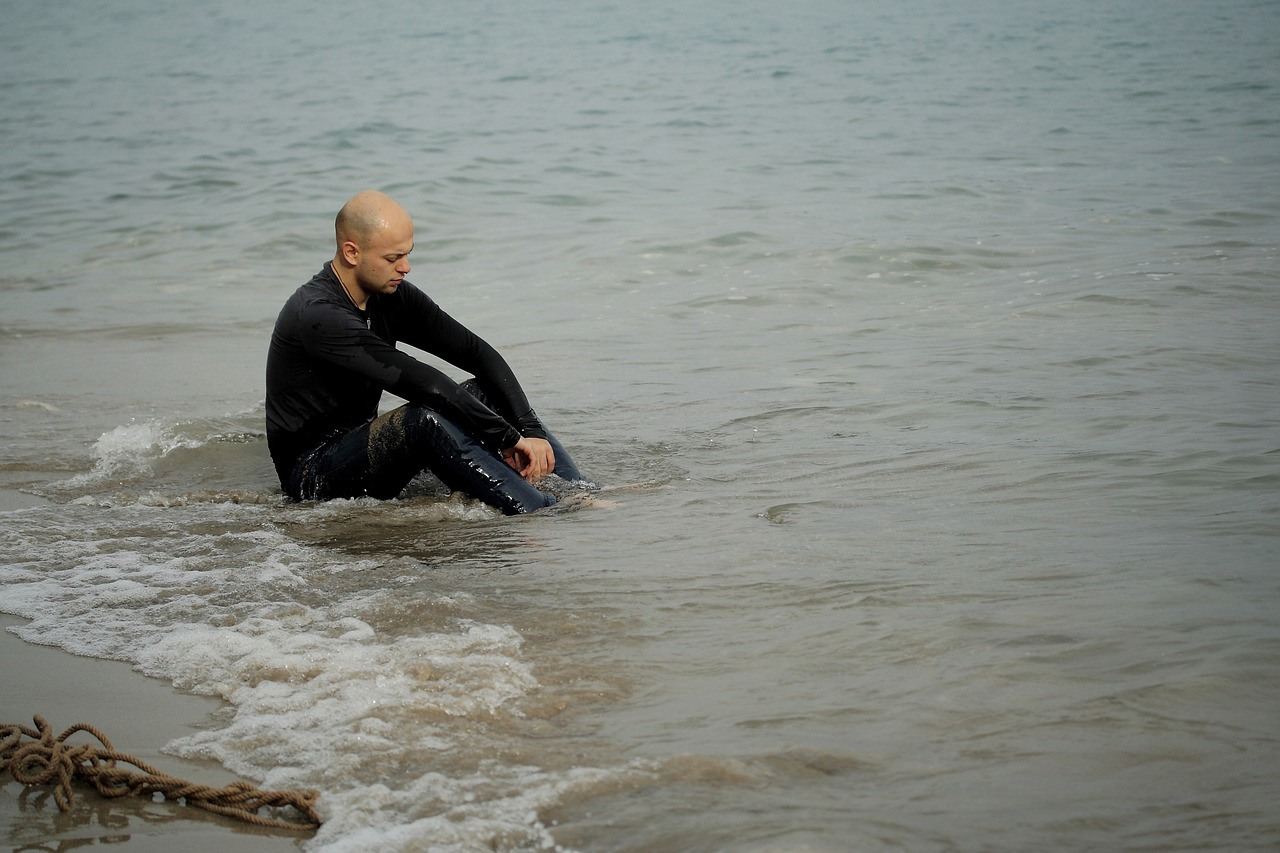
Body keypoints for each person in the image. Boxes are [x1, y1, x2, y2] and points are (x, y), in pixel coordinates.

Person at [265, 190, 589, 514]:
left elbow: (476, 353)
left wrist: (530, 431)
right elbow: (425, 383)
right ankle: (541, 511)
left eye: (407, 254)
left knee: (485, 391)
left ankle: (580, 494)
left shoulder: (391, 295)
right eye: (393, 259)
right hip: (312, 475)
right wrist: (508, 439)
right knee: (420, 421)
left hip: (367, 450)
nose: (405, 268)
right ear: (352, 252)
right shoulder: (319, 314)